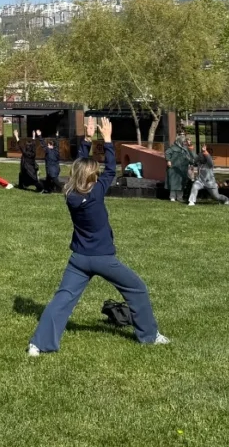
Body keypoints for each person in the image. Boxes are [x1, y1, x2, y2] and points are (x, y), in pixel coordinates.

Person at [28, 117, 169, 355]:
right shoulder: (96, 193)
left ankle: (38, 344)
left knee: (63, 299)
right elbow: (111, 169)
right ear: (93, 177)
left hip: (79, 259)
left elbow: (80, 167)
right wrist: (106, 139)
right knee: (137, 289)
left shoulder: (70, 193)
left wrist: (86, 139)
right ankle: (149, 336)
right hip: (103, 257)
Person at [165, 136, 194, 203]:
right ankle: (172, 197)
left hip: (182, 169)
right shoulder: (173, 148)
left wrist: (191, 163)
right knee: (173, 183)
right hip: (173, 169)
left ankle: (179, 197)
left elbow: (189, 157)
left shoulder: (186, 149)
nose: (184, 143)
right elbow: (167, 153)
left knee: (181, 183)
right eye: (183, 141)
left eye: (185, 142)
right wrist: (168, 160)